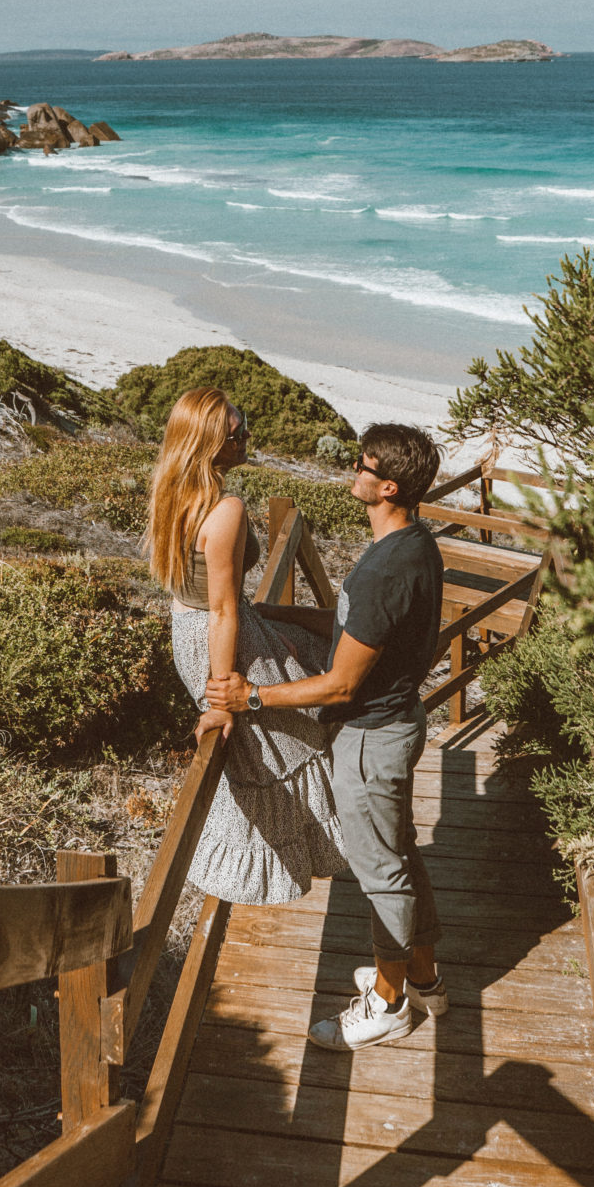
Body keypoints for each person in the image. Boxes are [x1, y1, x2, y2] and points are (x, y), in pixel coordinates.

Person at [209, 421, 446, 1049]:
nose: (355, 469)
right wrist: (280, 613)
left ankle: (390, 1002)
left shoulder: (384, 571)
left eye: (364, 465)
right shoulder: (413, 543)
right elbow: (357, 628)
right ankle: (422, 976)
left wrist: (251, 697)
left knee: (380, 869)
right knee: (398, 849)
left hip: (369, 737)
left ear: (387, 486)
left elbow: (340, 685)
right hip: (395, 723)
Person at [146, 386, 346, 905]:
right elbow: (224, 610)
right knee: (285, 733)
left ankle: (285, 855)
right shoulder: (225, 508)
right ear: (212, 442)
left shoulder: (170, 491)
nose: (246, 438)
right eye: (237, 432)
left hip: (186, 632)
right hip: (221, 639)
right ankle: (281, 866)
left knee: (264, 740)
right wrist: (221, 697)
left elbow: (208, 601)